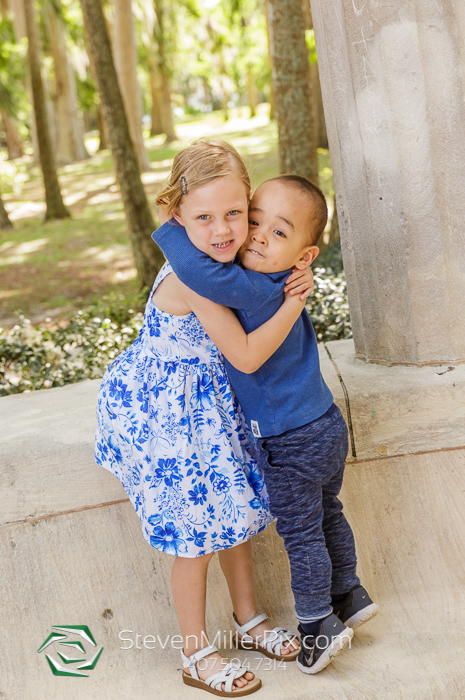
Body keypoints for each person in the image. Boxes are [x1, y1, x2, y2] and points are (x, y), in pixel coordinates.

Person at [95, 140, 316, 696]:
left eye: (235, 214)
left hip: (210, 411)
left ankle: (249, 620)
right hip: (170, 417)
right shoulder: (195, 280)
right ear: (177, 216)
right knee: (195, 538)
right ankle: (195, 654)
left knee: (234, 518)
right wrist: (295, 302)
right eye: (203, 217)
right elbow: (244, 354)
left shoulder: (221, 261)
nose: (223, 230)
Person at [152, 173, 379, 677]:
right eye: (254, 221)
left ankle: (318, 622)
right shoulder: (278, 279)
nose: (255, 236)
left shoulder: (252, 288)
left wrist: (172, 224)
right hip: (324, 424)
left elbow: (198, 272)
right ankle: (351, 593)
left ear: (305, 256)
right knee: (329, 513)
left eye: (278, 233)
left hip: (289, 437)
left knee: (302, 535)